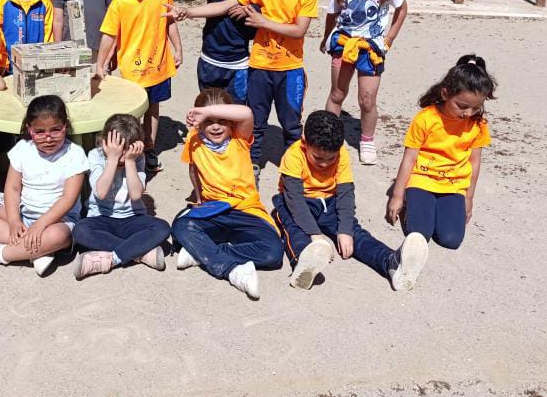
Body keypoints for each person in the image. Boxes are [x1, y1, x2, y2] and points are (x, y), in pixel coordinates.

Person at [169, 0, 318, 180]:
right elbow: (223, 5)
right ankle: (251, 166)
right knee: (255, 122)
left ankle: (294, 169)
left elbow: (299, 30)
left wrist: (262, 22)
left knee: (291, 124)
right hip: (259, 69)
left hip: (290, 71)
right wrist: (187, 12)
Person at [273, 110, 428, 291]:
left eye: (330, 158)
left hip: (330, 201)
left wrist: (345, 230)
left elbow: (345, 193)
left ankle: (391, 263)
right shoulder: (293, 155)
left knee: (356, 234)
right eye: (318, 158)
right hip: (297, 201)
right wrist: (315, 234)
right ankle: (303, 264)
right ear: (304, 142)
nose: (324, 164)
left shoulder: (342, 154)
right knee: (294, 229)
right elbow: (295, 201)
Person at [0, 95, 88, 275]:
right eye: (40, 132)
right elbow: (12, 188)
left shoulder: (75, 154)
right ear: (29, 129)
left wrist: (40, 225)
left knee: (59, 236)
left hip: (58, 221)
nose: (48, 138)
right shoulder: (22, 149)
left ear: (66, 126)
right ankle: (37, 250)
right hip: (25, 215)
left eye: (56, 130)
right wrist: (13, 221)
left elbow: (68, 199)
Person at [171, 89, 285, 299]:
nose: (215, 126)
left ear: (232, 123)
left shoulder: (240, 138)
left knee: (273, 253)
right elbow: (193, 170)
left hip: (246, 210)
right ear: (199, 124)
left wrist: (206, 112)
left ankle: (203, 253)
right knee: (180, 226)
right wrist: (198, 199)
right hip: (213, 210)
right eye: (208, 122)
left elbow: (247, 113)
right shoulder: (193, 139)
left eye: (222, 121)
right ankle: (233, 271)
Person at [387, 55, 495, 251]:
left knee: (450, 239)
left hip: (454, 184)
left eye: (476, 108)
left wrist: (468, 198)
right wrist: (397, 196)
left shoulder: (478, 124)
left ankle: (433, 208)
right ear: (445, 94)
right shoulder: (426, 118)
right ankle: (414, 203)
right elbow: (409, 158)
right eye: (462, 106)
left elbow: (474, 162)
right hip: (422, 179)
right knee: (419, 234)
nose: (468, 113)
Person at [321, 0, 408, 165]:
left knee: (367, 99)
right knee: (337, 94)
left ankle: (367, 140)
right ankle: (328, 137)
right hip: (344, 44)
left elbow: (402, 9)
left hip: (371, 49)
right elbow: (332, 14)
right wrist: (326, 37)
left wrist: (389, 39)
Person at [96, 0, 182, 173]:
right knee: (131, 112)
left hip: (158, 67)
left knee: (153, 108)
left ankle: (149, 148)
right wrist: (100, 63)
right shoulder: (120, 1)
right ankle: (129, 150)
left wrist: (178, 49)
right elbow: (109, 34)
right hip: (131, 71)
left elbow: (170, 23)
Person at [72, 114, 171, 279]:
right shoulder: (96, 155)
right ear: (104, 143)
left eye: (127, 150)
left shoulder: (137, 159)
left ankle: (110, 259)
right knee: (80, 231)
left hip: (132, 218)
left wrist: (130, 162)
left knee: (162, 228)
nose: (121, 155)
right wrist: (112, 159)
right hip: (101, 218)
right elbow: (101, 193)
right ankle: (140, 253)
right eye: (117, 149)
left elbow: (136, 195)